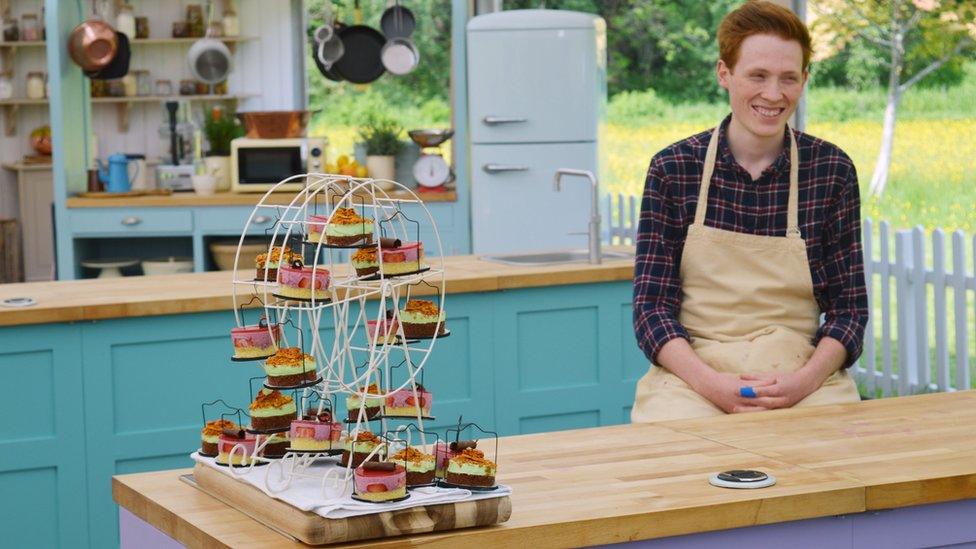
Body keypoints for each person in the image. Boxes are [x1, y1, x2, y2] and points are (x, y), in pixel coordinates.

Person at [630, 0, 867, 422]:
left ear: (805, 79)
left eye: (788, 78)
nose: (773, 94)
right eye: (758, 75)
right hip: (694, 380)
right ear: (725, 73)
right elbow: (651, 309)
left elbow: (849, 311)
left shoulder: (832, 171)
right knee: (678, 461)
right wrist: (712, 385)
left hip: (801, 378)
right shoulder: (673, 169)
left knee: (833, 459)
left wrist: (805, 381)